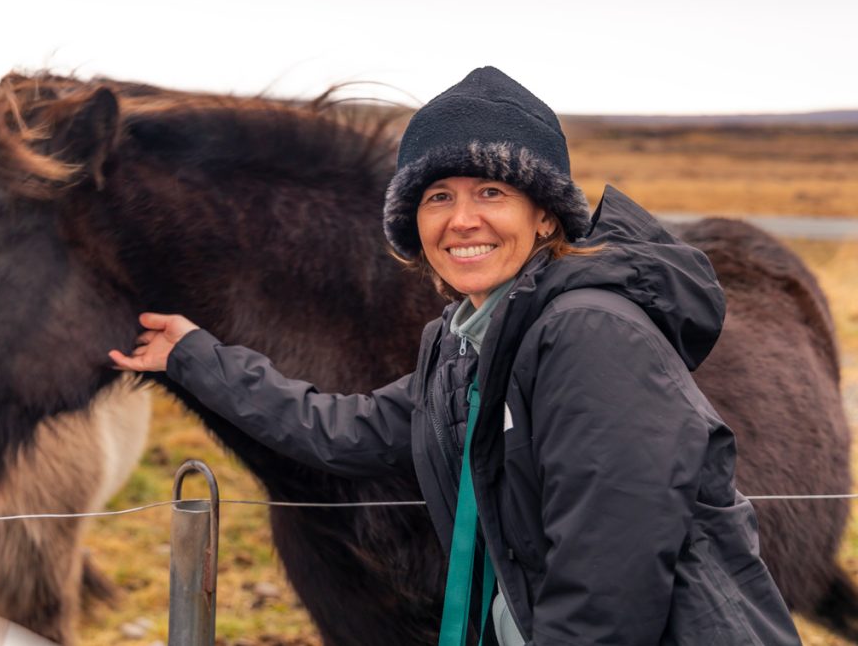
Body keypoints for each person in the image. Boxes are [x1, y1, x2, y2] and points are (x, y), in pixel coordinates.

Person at [109, 67, 801, 645]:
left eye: (491, 192)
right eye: (438, 195)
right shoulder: (468, 340)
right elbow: (344, 428)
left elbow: (606, 594)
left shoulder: (591, 337)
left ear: (547, 215)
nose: (461, 219)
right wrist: (195, 356)